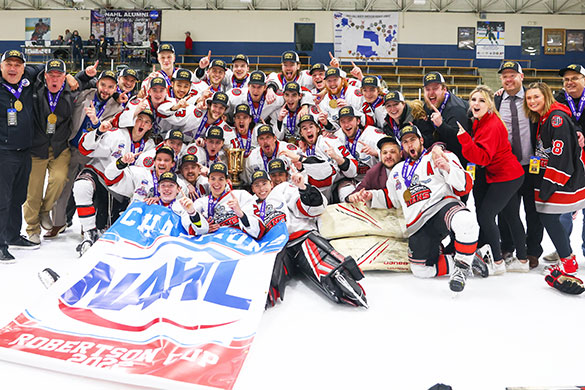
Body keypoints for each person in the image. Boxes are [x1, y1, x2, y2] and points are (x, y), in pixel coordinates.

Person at [352, 125, 487, 292]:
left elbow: (465, 186)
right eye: (405, 142)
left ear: (421, 140)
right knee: (421, 270)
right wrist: (372, 196)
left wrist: (447, 168)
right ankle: (467, 259)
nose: (410, 145)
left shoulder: (438, 156)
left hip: (441, 207)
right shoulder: (397, 172)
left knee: (466, 222)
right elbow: (392, 199)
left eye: (413, 140)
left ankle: (461, 268)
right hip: (418, 223)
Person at [250, 169, 367, 308]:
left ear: (270, 183)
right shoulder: (250, 204)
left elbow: (308, 208)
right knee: (267, 281)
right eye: (257, 185)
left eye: (264, 183)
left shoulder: (282, 189)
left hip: (301, 238)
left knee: (332, 272)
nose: (261, 188)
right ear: (252, 188)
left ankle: (355, 296)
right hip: (279, 248)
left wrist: (304, 189)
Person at [456, 85, 527, 274]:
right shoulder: (483, 120)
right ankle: (522, 259)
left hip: (506, 176)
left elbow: (482, 158)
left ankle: (497, 262)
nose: (476, 103)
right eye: (473, 100)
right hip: (509, 174)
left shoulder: (491, 124)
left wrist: (464, 139)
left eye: (481, 100)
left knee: (485, 215)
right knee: (512, 216)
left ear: (489, 104)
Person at [46, 68, 123, 239]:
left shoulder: (118, 108)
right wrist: (69, 75)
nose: (105, 89)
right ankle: (58, 222)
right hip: (73, 149)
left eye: (111, 87)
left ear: (115, 89)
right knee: (65, 186)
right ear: (97, 84)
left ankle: (88, 226)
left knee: (92, 190)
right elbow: (69, 84)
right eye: (103, 85)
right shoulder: (85, 94)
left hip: (95, 155)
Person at [73, 109, 155, 255]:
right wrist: (98, 131)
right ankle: (89, 232)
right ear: (132, 120)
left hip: (120, 186)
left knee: (108, 230)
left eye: (146, 122)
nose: (141, 123)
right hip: (99, 174)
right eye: (139, 119)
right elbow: (85, 149)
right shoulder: (117, 134)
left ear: (150, 127)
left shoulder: (149, 146)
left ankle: (103, 231)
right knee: (81, 186)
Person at [524, 82, 585, 276]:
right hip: (548, 176)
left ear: (546, 97)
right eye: (529, 98)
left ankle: (568, 260)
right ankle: (568, 259)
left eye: (536, 97)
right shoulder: (544, 117)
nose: (532, 101)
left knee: (549, 217)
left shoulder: (556, 118)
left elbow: (561, 156)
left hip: (560, 179)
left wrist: (550, 183)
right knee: (547, 217)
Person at [495, 61, 543, 269]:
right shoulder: (496, 101)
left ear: (521, 77)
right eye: (505, 76)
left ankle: (533, 251)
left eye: (512, 74)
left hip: (531, 166)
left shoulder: (533, 99)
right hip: (506, 167)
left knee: (533, 211)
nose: (508, 79)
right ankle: (507, 246)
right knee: (506, 211)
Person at [23, 59, 75, 245]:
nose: (54, 79)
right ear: (45, 76)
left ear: (65, 77)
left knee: (60, 179)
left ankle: (45, 210)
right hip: (37, 147)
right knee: (33, 191)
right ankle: (32, 229)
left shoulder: (72, 91)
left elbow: (93, 84)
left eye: (58, 75)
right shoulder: (33, 90)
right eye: (51, 75)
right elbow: (27, 68)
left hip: (60, 147)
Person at [0, 50, 45, 261]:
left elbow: (48, 68)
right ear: (1, 66)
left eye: (17, 65)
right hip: (3, 153)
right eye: (8, 64)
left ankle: (12, 235)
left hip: (24, 151)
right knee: (2, 199)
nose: (13, 69)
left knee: (18, 198)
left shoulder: (28, 78)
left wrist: (77, 77)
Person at [546, 63, 585, 263]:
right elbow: (540, 101)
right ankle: (564, 249)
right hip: (571, 161)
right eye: (566, 79)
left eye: (575, 78)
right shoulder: (560, 99)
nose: (570, 82)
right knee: (564, 208)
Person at [191, 162, 263, 237]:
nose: (216, 183)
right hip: (211, 243)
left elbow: (257, 230)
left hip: (236, 242)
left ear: (227, 180)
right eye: (213, 179)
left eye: (221, 179)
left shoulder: (241, 195)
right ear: (208, 180)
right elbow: (192, 228)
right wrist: (204, 229)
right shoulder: (201, 202)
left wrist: (240, 213)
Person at [420, 71, 471, 165]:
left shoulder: (456, 109)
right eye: (427, 89)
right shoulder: (429, 105)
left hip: (460, 161)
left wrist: (441, 125)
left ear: (444, 89)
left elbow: (461, 143)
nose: (431, 93)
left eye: (435, 89)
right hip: (441, 158)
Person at [346, 135, 402, 202]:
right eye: (384, 153)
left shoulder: (409, 163)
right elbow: (356, 192)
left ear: (401, 154)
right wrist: (351, 197)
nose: (388, 156)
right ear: (380, 155)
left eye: (392, 152)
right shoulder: (374, 172)